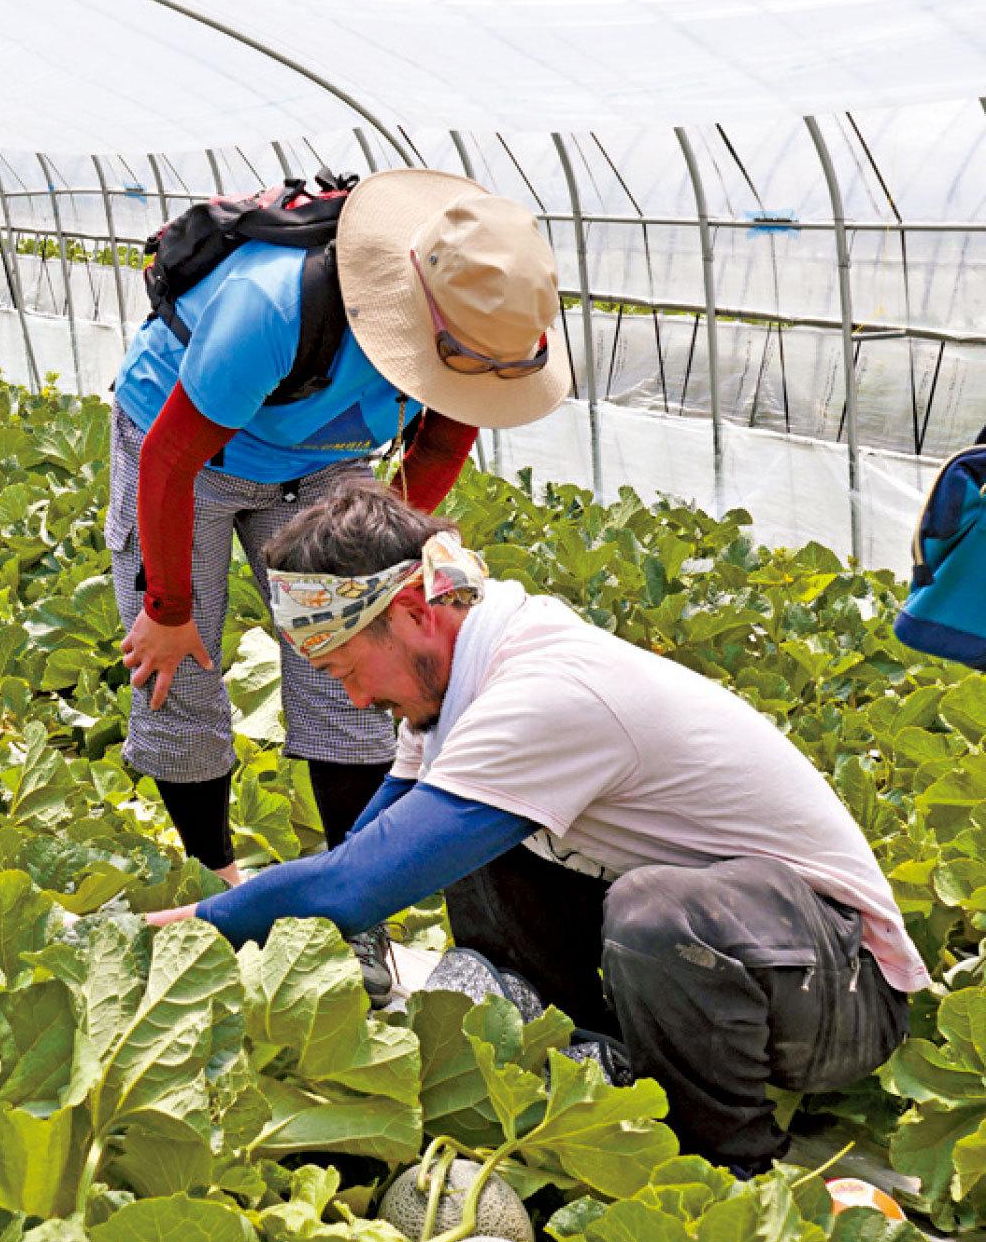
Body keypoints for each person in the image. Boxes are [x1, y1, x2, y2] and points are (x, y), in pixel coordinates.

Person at [148, 485, 931, 1177]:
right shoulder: (460, 670)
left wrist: (191, 931)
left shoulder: (548, 690)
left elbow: (353, 886)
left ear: (416, 615)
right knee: (453, 835)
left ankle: (725, 1164)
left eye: (348, 669)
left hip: (838, 994)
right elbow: (373, 853)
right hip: (761, 958)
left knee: (656, 914)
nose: (354, 703)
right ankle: (595, 1062)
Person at [108, 168, 569, 1003]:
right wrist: (168, 610)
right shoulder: (272, 307)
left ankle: (351, 919)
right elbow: (171, 460)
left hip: (329, 465)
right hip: (192, 457)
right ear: (417, 311)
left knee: (365, 676)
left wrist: (376, 564)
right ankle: (216, 880)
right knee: (179, 672)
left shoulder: (483, 334)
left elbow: (437, 447)